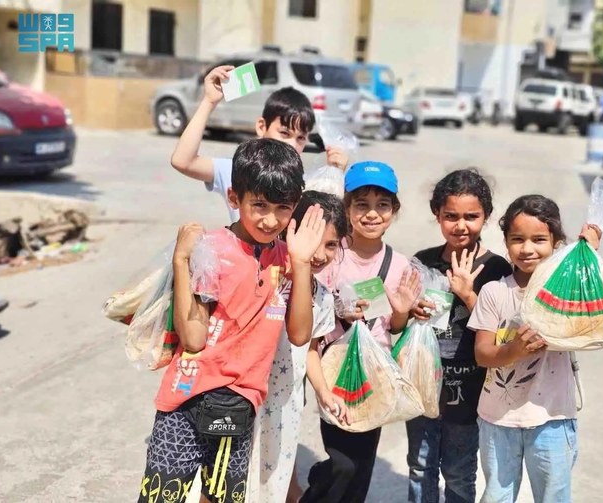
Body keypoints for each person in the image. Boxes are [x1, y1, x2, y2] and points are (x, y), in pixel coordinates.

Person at [137, 138, 326, 503]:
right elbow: (193, 338)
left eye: (282, 208)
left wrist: (301, 264)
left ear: (295, 207)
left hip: (239, 407)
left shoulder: (290, 260)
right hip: (185, 404)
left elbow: (300, 334)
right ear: (234, 197)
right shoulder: (211, 249)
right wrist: (181, 262)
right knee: (161, 497)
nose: (270, 219)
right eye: (259, 205)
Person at [301, 161, 422, 503]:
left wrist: (401, 311)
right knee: (343, 462)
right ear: (346, 208)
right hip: (334, 371)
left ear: (393, 211)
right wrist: (339, 310)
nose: (372, 214)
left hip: (375, 374)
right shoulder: (331, 254)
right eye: (362, 205)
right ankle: (318, 486)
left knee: (363, 464)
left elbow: (394, 328)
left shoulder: (399, 264)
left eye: (382, 205)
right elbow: (312, 308)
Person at [468, 195, 601, 503]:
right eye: (518, 239)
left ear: (556, 243)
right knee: (496, 495)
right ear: (505, 242)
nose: (527, 249)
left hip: (552, 417)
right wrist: (514, 351)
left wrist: (589, 252)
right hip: (497, 419)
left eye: (539, 239)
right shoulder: (494, 292)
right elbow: (482, 353)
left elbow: (597, 309)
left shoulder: (565, 289)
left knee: (553, 496)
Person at [406, 169, 513, 503]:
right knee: (420, 466)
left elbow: (503, 333)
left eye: (471, 216)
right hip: (424, 387)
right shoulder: (422, 262)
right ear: (437, 214)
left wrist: (469, 295)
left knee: (458, 471)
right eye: (450, 216)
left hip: (471, 395)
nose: (460, 225)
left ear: (487, 217)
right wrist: (411, 310)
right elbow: (401, 321)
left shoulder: (497, 270)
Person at [246, 190, 349, 503]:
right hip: (246, 398)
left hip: (286, 403)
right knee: (235, 478)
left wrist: (323, 392)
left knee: (272, 480)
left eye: (331, 244)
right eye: (312, 239)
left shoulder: (322, 296)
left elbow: (311, 349)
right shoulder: (265, 275)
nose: (319, 253)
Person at [170, 65, 349, 222]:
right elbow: (183, 161)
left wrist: (335, 173)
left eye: (301, 138)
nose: (292, 144)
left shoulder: (305, 183)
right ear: (262, 126)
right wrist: (209, 101)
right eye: (284, 133)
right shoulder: (236, 170)